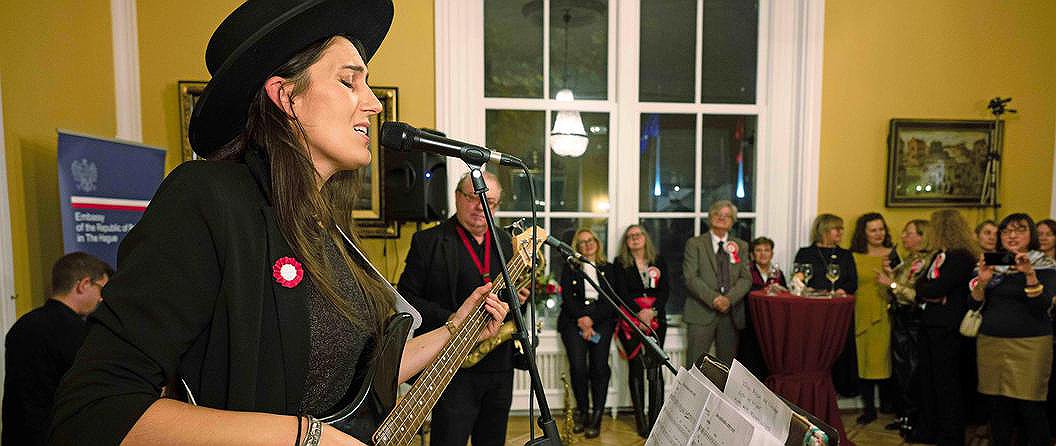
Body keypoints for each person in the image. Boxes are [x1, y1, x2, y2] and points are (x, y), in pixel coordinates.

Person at [49, 2, 510, 445]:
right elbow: (94, 411)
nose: (372, 104)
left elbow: (353, 384)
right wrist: (305, 436)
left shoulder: (323, 227)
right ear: (286, 96)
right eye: (349, 81)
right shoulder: (207, 197)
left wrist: (454, 330)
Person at [397, 171, 529, 446]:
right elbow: (407, 299)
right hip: (451, 366)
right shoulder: (427, 242)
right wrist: (453, 320)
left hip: (499, 365)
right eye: (473, 197)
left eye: (490, 202)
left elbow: (511, 299)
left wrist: (520, 300)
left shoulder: (508, 243)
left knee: (492, 441)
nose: (481, 207)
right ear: (457, 197)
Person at [2, 253, 112, 445]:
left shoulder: (22, 325)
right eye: (101, 289)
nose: (101, 299)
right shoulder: (81, 334)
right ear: (84, 284)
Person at [971, 213, 1056, 446]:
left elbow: (1042, 307)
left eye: (1019, 230)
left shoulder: (1045, 265)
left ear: (1031, 235)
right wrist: (983, 281)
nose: (1012, 235)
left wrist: (1029, 274)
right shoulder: (992, 264)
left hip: (1030, 344)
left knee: (1030, 407)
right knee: (998, 407)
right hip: (992, 341)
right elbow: (974, 305)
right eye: (1006, 231)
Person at [913, 209, 978, 446]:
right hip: (931, 323)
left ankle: (950, 434)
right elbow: (921, 285)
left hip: (947, 328)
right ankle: (930, 429)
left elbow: (936, 288)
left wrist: (929, 289)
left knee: (946, 383)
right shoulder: (940, 255)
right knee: (928, 381)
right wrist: (928, 290)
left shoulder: (961, 257)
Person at [556, 229, 616, 439]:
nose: (588, 244)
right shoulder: (570, 268)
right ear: (577, 247)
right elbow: (567, 298)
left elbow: (611, 300)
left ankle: (597, 416)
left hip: (601, 319)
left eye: (590, 240)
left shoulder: (608, 268)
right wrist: (582, 319)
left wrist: (592, 320)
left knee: (599, 367)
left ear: (597, 243)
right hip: (574, 320)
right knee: (578, 367)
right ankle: (582, 412)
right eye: (582, 242)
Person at [876, 219, 931, 437]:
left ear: (922, 236)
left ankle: (913, 417)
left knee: (912, 370)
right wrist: (890, 276)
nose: (903, 237)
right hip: (900, 319)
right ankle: (904, 414)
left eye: (909, 233)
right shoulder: (908, 260)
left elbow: (915, 295)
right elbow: (896, 290)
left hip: (913, 322)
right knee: (901, 370)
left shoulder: (926, 262)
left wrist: (890, 283)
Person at [613, 224, 669, 438]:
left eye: (638, 235)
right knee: (636, 367)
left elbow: (666, 290)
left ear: (645, 237)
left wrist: (652, 311)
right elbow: (620, 292)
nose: (635, 239)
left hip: (656, 319)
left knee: (656, 366)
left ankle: (657, 419)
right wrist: (638, 313)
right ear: (626, 243)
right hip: (631, 320)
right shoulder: (620, 263)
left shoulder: (659, 260)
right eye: (630, 237)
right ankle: (641, 422)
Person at [794, 214, 859, 396]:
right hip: (814, 311)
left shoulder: (845, 255)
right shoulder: (806, 253)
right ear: (823, 230)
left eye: (841, 228)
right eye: (836, 228)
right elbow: (798, 279)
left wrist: (841, 290)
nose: (841, 232)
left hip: (839, 311)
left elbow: (853, 283)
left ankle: (839, 390)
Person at [684, 200, 752, 366]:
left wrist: (728, 299)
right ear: (710, 217)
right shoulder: (695, 244)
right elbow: (690, 277)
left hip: (731, 315)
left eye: (727, 215)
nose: (721, 217)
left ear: (732, 221)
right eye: (717, 214)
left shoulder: (741, 246)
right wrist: (715, 299)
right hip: (700, 312)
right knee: (695, 366)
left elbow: (746, 278)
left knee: (726, 369)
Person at [847, 213, 899, 425]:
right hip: (860, 312)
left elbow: (902, 283)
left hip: (885, 312)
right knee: (863, 360)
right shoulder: (853, 256)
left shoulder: (894, 254)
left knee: (883, 359)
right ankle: (869, 408)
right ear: (864, 233)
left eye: (881, 229)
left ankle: (888, 404)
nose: (879, 234)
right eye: (873, 230)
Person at [737, 236, 786, 379]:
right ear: (752, 254)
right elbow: (743, 293)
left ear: (772, 253)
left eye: (766, 250)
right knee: (750, 364)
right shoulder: (746, 271)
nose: (763, 253)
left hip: (772, 325)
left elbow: (785, 294)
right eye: (758, 250)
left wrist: (781, 290)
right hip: (750, 323)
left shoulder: (778, 273)